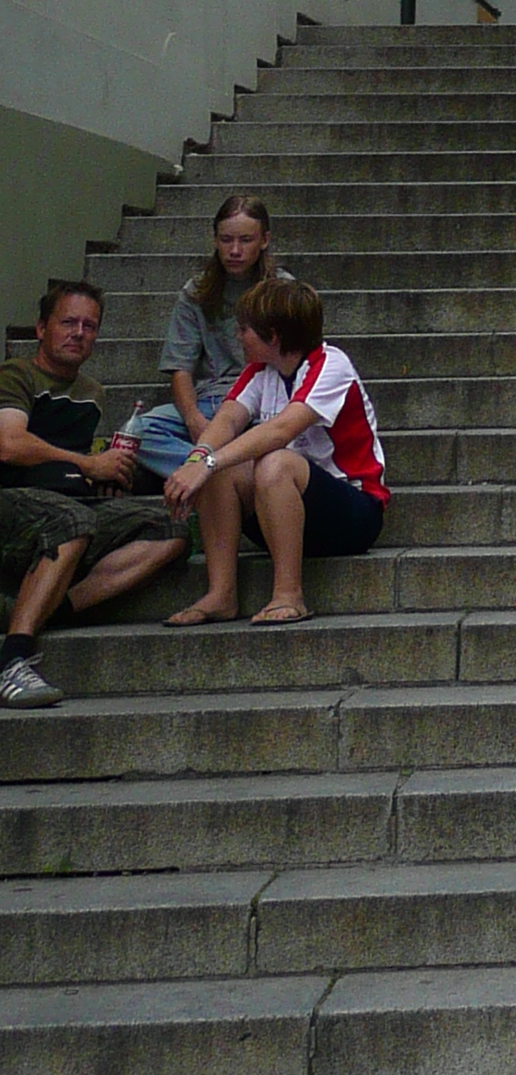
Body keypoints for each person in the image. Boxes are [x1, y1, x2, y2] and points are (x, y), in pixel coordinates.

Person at [0, 279, 186, 707]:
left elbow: (68, 465)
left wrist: (100, 478)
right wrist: (86, 464)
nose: (79, 333)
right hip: (13, 502)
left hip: (67, 504)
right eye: (68, 322)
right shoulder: (16, 374)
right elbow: (9, 445)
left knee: (170, 530)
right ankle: (13, 658)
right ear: (41, 328)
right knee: (72, 521)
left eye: (89, 325)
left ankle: (50, 607)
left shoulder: (92, 393)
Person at [164, 277, 386, 627]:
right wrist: (198, 459)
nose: (238, 338)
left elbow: (281, 429)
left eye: (244, 330)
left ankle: (288, 595)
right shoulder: (261, 371)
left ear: (273, 336)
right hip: (283, 508)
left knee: (274, 462)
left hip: (353, 512)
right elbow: (227, 420)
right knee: (224, 464)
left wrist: (207, 462)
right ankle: (221, 593)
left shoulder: (331, 365)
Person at [131, 192, 292, 481]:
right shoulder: (196, 292)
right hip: (212, 401)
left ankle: (215, 472)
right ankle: (225, 475)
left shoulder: (283, 291)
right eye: (226, 240)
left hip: (265, 401)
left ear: (264, 240)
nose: (234, 250)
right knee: (139, 432)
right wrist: (193, 419)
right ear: (215, 240)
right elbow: (180, 368)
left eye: (245, 240)